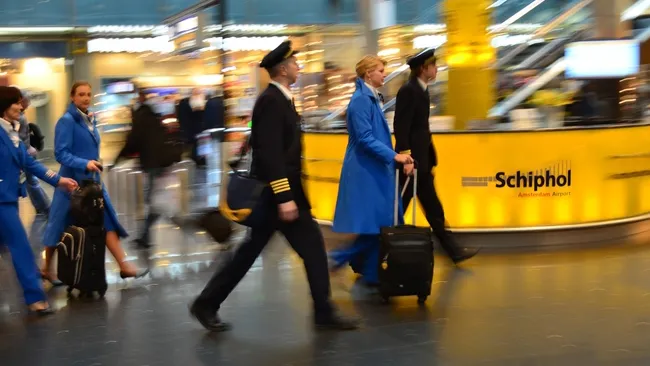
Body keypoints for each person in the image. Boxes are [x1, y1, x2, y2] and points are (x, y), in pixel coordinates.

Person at [190, 40, 359, 332]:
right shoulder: (271, 101)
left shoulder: (282, 99)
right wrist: (284, 197)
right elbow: (269, 154)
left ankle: (207, 304)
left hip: (280, 195)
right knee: (306, 249)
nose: (299, 67)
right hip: (276, 196)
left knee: (263, 252)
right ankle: (323, 312)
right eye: (295, 63)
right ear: (282, 70)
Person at [41, 81, 149, 283]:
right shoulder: (67, 121)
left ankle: (124, 265)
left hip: (93, 183)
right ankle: (46, 268)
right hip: (71, 183)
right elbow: (61, 153)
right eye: (81, 94)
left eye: (89, 94)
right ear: (72, 97)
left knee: (107, 220)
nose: (86, 98)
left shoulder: (89, 119)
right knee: (58, 224)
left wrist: (93, 164)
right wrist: (85, 163)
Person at [329, 55, 414, 285]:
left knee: (377, 225)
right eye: (380, 70)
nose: (384, 74)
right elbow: (365, 138)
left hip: (372, 169)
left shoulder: (370, 98)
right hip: (365, 172)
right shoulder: (361, 100)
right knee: (376, 225)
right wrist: (395, 156)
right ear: (368, 74)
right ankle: (339, 261)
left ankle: (370, 273)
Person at [393, 48, 479, 264]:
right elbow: (401, 127)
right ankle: (367, 254)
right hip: (411, 165)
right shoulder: (409, 91)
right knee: (395, 212)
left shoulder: (422, 89)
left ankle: (454, 251)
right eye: (433, 65)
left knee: (432, 209)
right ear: (423, 68)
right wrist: (406, 157)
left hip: (422, 163)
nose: (436, 68)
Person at [0, 86, 78, 314]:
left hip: (9, 198)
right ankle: (35, 298)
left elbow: (28, 162)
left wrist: (59, 180)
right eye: (15, 102)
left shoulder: (11, 132)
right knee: (21, 246)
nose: (20, 106)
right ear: (4, 105)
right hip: (2, 201)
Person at [114, 87, 172, 249]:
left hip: (153, 163)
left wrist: (118, 158)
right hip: (160, 161)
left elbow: (133, 141)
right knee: (153, 198)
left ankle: (166, 223)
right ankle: (146, 234)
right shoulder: (152, 114)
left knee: (154, 200)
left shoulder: (140, 116)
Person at [16, 92, 51, 218]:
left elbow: (21, 139)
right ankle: (44, 207)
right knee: (32, 183)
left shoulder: (20, 117)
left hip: (25, 155)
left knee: (31, 182)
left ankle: (44, 207)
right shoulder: (20, 117)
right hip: (25, 154)